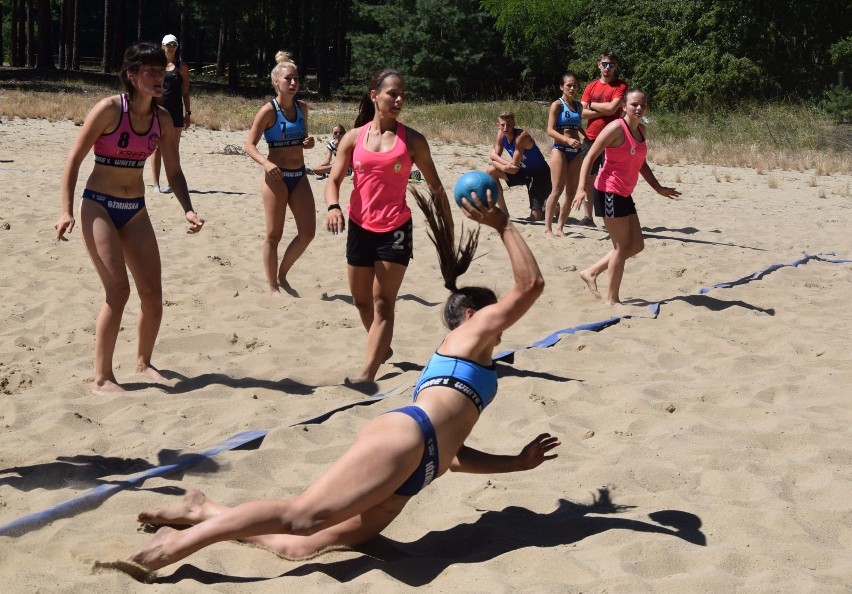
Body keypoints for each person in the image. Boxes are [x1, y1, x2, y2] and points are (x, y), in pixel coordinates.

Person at [126, 187, 558, 572]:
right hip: (407, 441)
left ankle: (201, 510)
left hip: (421, 466)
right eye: (495, 312)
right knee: (300, 515)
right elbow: (532, 284)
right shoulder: (471, 334)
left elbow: (454, 453)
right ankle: (173, 548)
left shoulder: (475, 356)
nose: (504, 321)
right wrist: (503, 224)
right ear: (471, 316)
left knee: (300, 545)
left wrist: (515, 464)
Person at [54, 42, 204, 396]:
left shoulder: (163, 119)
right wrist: (64, 209)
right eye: (149, 72)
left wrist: (188, 207)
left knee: (152, 294)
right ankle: (102, 378)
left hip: (135, 210)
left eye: (160, 71)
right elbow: (73, 160)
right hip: (99, 207)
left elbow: (175, 172)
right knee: (118, 291)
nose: (158, 78)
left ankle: (143, 361)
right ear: (131, 76)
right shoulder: (109, 110)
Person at [325, 68, 453, 383]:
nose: (398, 100)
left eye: (402, 95)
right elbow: (334, 179)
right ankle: (381, 347)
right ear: (375, 97)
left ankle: (367, 373)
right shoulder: (353, 139)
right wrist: (333, 205)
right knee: (361, 300)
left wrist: (447, 228)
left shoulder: (413, 141)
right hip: (359, 226)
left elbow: (436, 187)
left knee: (383, 302)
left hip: (395, 229)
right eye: (392, 94)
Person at [571, 89, 681, 305]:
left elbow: (640, 162)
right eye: (634, 104)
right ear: (624, 106)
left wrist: (657, 188)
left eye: (642, 104)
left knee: (637, 245)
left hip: (624, 193)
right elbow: (590, 156)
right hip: (608, 191)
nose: (639, 108)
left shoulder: (641, 130)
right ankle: (612, 300)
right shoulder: (615, 128)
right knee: (621, 248)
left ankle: (591, 272)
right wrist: (581, 188)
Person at [244, 51, 316, 296]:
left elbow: (302, 137)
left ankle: (282, 273)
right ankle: (272, 286)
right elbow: (249, 145)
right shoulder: (268, 110)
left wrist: (308, 142)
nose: (293, 83)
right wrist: (265, 163)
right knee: (274, 235)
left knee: (307, 233)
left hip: (299, 175)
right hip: (276, 177)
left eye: (296, 78)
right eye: (288, 79)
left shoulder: (302, 108)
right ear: (276, 82)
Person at [574, 52, 629, 227]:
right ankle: (588, 217)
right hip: (591, 138)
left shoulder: (620, 86)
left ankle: (609, 218)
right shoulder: (590, 87)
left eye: (611, 65)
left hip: (613, 141)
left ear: (616, 67)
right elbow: (582, 113)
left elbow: (614, 108)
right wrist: (604, 110)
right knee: (589, 178)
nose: (608, 68)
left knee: (610, 180)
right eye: (605, 64)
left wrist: (593, 106)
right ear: (599, 65)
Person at [543, 72, 588, 237]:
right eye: (569, 85)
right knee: (556, 190)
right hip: (560, 150)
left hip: (576, 152)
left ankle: (560, 228)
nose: (572, 88)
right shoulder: (557, 105)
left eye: (575, 85)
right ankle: (547, 228)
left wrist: (585, 138)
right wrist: (566, 140)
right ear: (562, 86)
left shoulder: (579, 106)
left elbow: (577, 126)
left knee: (570, 193)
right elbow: (549, 130)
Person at [485, 112, 550, 221]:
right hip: (523, 171)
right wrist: (500, 163)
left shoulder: (521, 137)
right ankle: (504, 213)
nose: (505, 128)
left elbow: (513, 167)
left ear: (514, 124)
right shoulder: (501, 134)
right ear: (498, 125)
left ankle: (552, 205)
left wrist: (497, 160)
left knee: (536, 217)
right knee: (490, 171)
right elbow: (495, 160)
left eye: (509, 124)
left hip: (539, 174)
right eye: (502, 125)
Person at [150, 34, 191, 194]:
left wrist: (187, 113)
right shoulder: (156, 66)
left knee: (173, 148)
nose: (171, 48)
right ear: (162, 47)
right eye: (168, 45)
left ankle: (172, 182)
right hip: (158, 111)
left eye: (174, 45)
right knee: (157, 148)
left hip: (175, 111)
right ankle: (156, 184)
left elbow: (186, 91)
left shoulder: (182, 67)